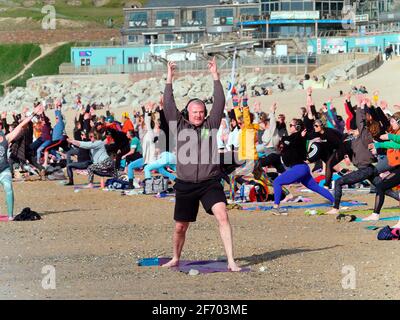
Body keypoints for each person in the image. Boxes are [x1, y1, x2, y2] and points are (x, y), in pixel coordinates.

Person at [162, 57, 241, 272]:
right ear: (188, 113)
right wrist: (170, 78)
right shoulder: (178, 126)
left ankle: (231, 260)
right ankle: (176, 258)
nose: (198, 115)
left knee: (223, 216)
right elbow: (168, 104)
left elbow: (220, 103)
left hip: (209, 183)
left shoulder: (210, 125)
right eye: (194, 112)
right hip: (185, 184)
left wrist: (215, 76)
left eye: (201, 112)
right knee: (180, 226)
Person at [271, 118, 334, 215]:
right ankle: (335, 201)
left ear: (297, 127)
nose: (290, 127)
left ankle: (276, 207)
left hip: (299, 168)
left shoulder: (300, 138)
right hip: (301, 168)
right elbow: (287, 141)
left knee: (277, 182)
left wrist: (302, 135)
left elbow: (300, 138)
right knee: (315, 187)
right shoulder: (291, 138)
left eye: (291, 125)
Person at [1, 104, 44, 220]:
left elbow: (21, 125)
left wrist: (33, 113)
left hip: (3, 170)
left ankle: (10, 216)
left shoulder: (7, 138)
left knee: (8, 188)